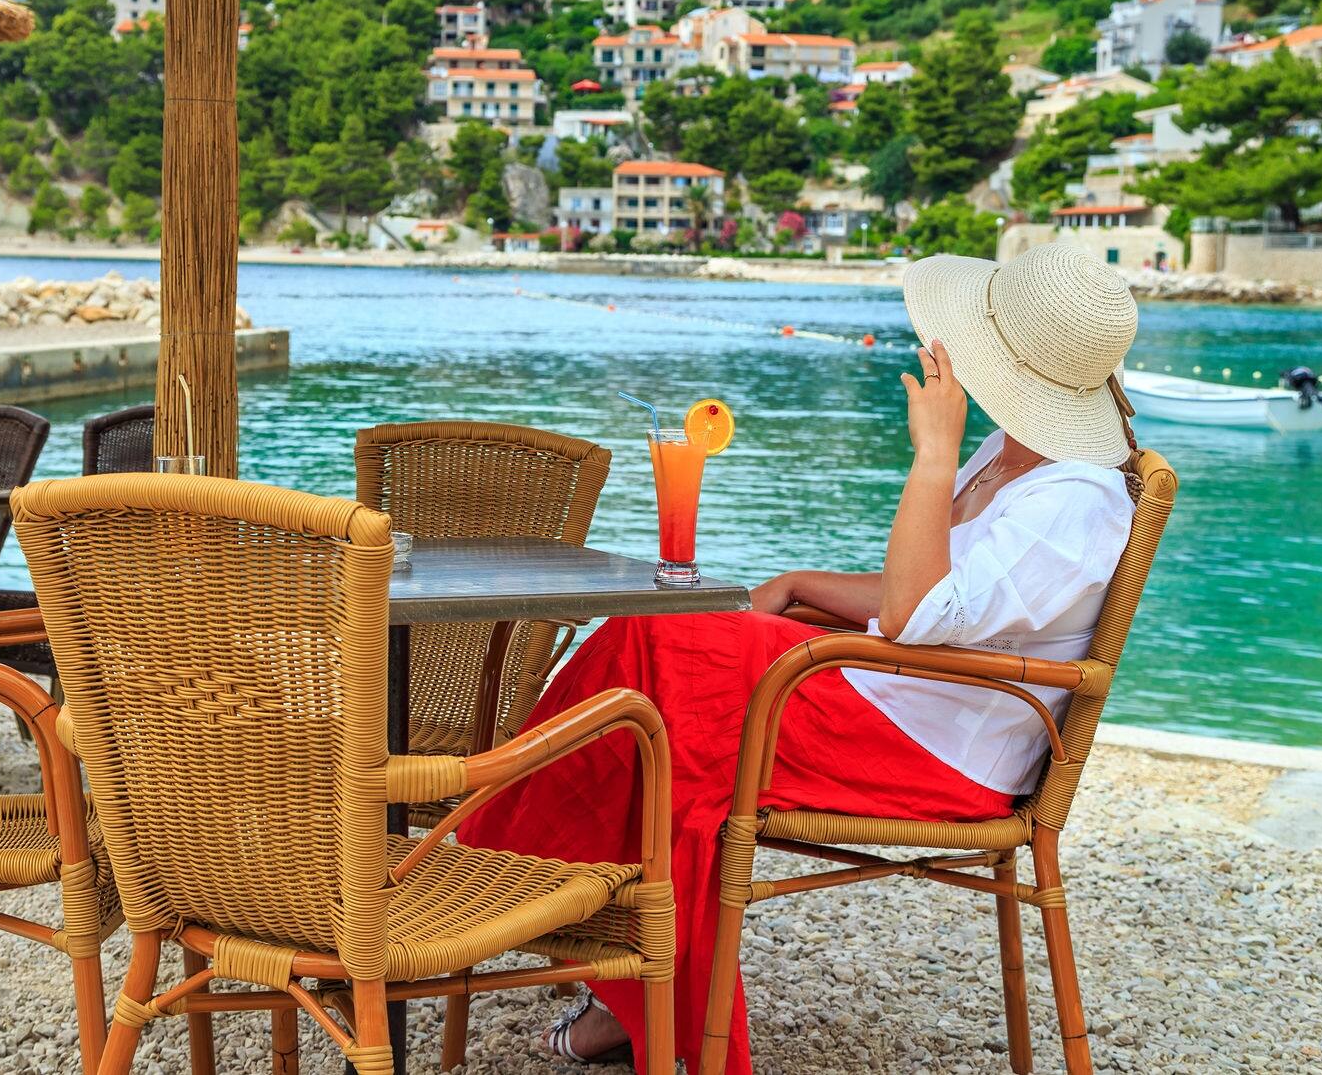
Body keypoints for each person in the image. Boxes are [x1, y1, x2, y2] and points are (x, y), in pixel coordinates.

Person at [461, 242, 1143, 1074]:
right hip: (888, 689)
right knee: (660, 645)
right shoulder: (1011, 454)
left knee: (666, 665)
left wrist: (931, 453)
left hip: (929, 752)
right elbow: (925, 596)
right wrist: (799, 583)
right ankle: (630, 982)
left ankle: (515, 885)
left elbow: (920, 608)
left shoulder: (1075, 499)